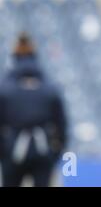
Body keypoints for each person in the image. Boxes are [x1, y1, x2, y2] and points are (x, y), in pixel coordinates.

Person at [0, 33, 67, 187]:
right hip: (42, 150)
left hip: (12, 149)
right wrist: (56, 151)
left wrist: (3, 149)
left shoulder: (4, 89)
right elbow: (62, 124)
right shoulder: (49, 88)